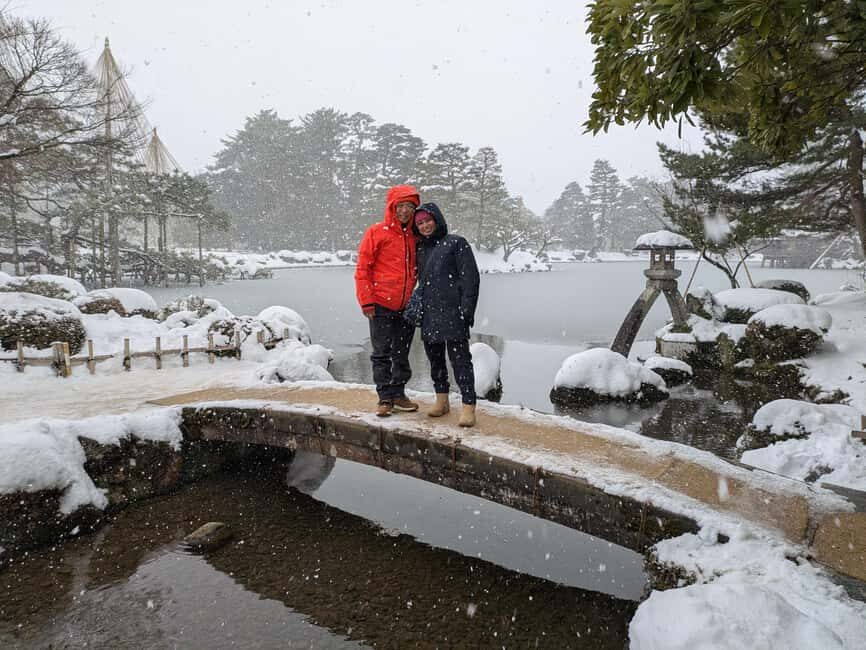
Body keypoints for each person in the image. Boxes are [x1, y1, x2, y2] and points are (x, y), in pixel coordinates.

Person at [355, 184, 421, 417]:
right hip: (381, 303)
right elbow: (363, 268)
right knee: (381, 352)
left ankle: (398, 393)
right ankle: (384, 398)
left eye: (410, 206)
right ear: (392, 207)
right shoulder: (377, 232)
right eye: (400, 206)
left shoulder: (415, 235)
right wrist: (367, 301)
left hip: (407, 306)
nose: (405, 211)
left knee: (401, 353)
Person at [412, 202, 480, 427]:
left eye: (427, 220)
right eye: (420, 223)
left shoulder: (456, 243)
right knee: (435, 360)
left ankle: (468, 406)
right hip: (430, 314)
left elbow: (471, 279)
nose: (424, 226)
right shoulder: (421, 248)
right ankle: (442, 401)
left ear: (437, 220)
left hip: (453, 313)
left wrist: (466, 312)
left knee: (461, 361)